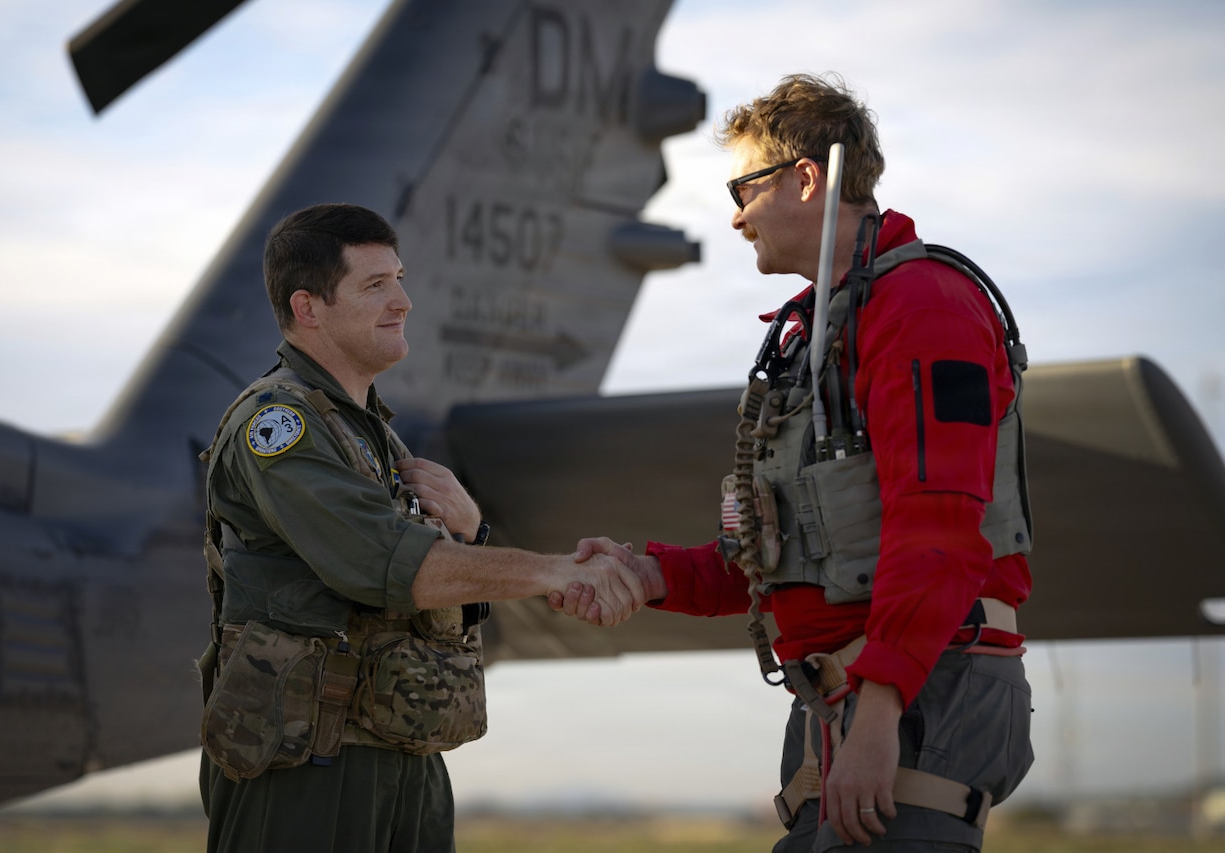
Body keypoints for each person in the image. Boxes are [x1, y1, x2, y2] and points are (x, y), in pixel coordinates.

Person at [562, 73, 1034, 852]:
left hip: (915, 697)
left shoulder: (923, 306)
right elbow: (789, 553)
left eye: (743, 186)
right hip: (847, 701)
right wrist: (649, 574)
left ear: (807, 177)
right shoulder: (818, 331)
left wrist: (879, 715)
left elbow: (941, 528)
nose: (737, 214)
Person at [197, 202, 644, 853]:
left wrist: (473, 534)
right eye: (375, 285)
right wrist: (557, 568)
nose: (403, 301)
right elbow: (385, 562)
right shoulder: (279, 424)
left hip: (403, 753)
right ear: (308, 308)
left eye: (399, 279)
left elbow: (426, 590)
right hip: (306, 772)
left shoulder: (372, 434)